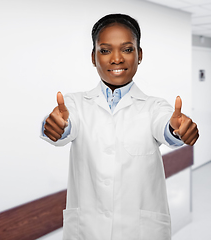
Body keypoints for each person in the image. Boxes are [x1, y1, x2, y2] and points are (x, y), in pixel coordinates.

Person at [41, 13, 199, 240]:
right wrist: (56, 127)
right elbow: (66, 125)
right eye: (105, 50)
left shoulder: (154, 106)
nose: (116, 59)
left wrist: (177, 130)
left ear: (139, 54)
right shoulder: (75, 104)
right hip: (88, 230)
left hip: (139, 231)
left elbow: (164, 125)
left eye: (127, 49)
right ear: (94, 57)